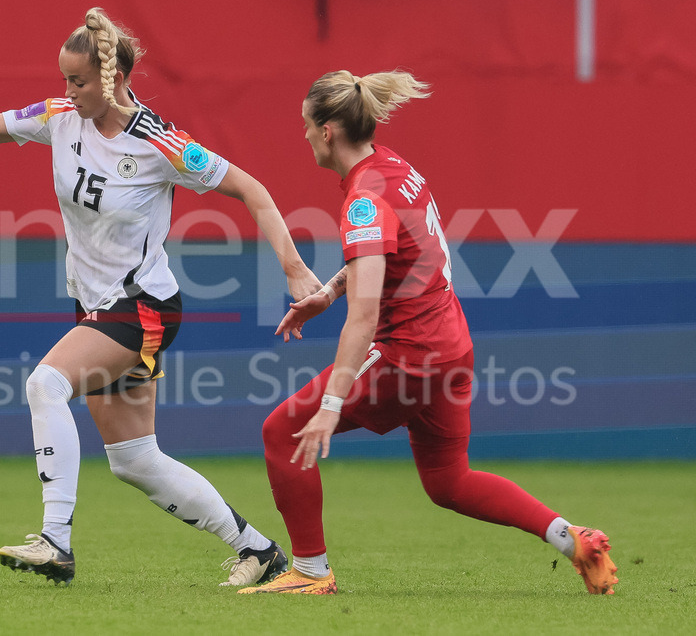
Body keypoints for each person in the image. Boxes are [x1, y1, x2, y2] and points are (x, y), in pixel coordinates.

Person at [0, 7, 321, 587]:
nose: (67, 91)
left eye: (77, 81)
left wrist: (294, 268)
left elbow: (251, 189)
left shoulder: (158, 141)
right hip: (97, 306)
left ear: (112, 80)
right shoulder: (60, 116)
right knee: (134, 459)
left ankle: (55, 541)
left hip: (142, 308)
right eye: (64, 80)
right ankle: (258, 551)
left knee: (44, 384)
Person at [239, 70, 618, 595]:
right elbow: (396, 258)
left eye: (305, 124)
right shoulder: (394, 167)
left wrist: (331, 404)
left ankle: (309, 573)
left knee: (282, 431)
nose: (302, 134)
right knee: (449, 482)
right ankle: (572, 538)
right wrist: (328, 293)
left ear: (328, 130)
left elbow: (366, 316)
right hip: (450, 344)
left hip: (408, 351)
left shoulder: (364, 199)